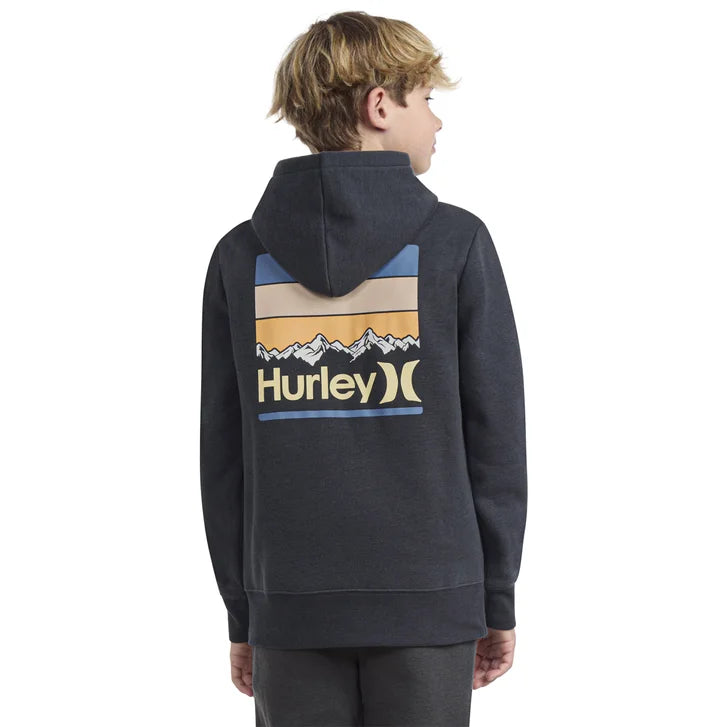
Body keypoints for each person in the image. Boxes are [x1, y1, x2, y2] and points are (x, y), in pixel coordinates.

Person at [200, 10, 528, 726]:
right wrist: (494, 597)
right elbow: (496, 440)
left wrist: (244, 611)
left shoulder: (239, 257)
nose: (437, 120)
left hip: (289, 608)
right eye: (427, 99)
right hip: (430, 604)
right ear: (381, 105)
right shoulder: (456, 243)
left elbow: (222, 458)